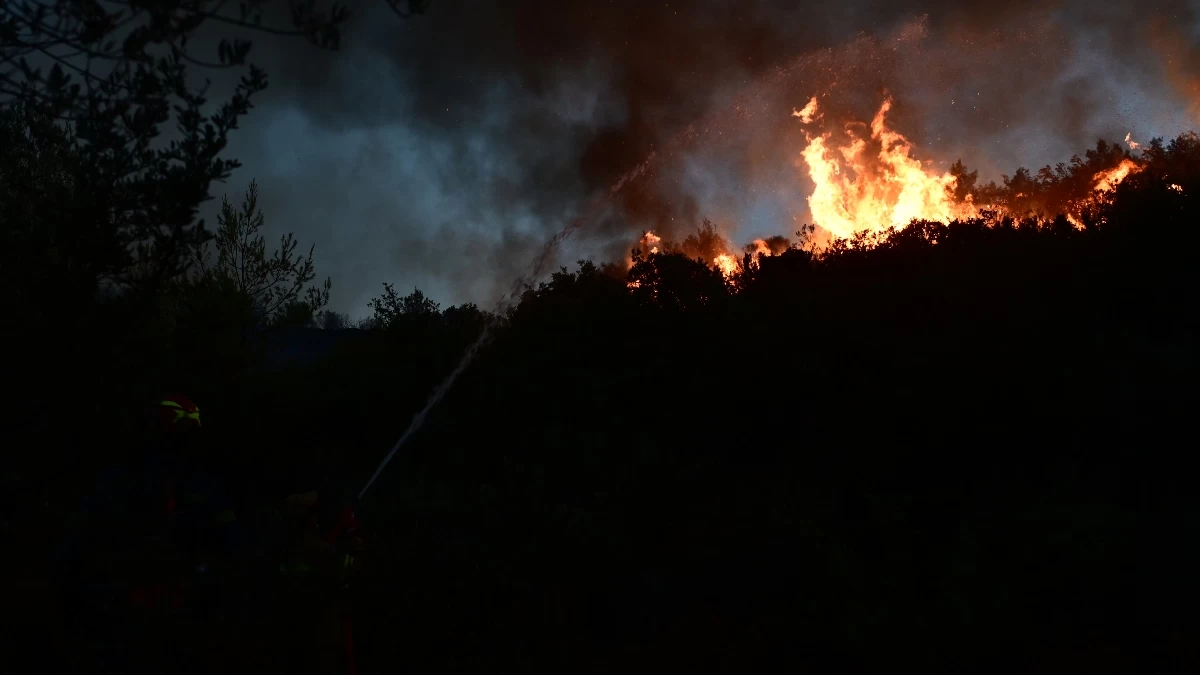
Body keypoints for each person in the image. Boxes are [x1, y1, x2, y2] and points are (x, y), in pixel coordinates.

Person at [61, 393, 244, 674]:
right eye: (177, 429)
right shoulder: (125, 477)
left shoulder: (200, 481)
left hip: (176, 593)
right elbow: (84, 533)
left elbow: (230, 538)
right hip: (133, 593)